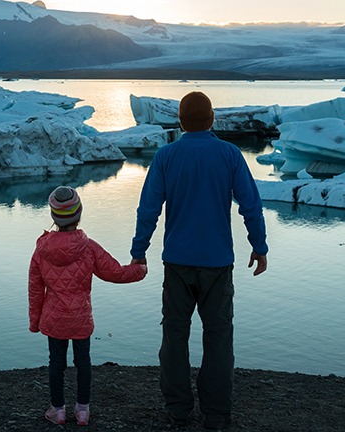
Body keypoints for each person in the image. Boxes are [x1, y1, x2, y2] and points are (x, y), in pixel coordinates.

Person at [130, 91, 269, 431]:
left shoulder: (166, 157)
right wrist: (259, 246)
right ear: (211, 119)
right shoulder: (229, 154)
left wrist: (138, 251)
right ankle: (216, 414)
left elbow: (149, 208)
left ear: (180, 120)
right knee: (218, 338)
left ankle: (178, 410)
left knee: (174, 337)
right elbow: (250, 204)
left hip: (177, 262)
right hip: (218, 263)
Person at [29, 185, 148, 426]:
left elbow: (35, 289)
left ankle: (58, 411)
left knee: (56, 363)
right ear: (79, 213)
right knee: (83, 362)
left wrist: (35, 322)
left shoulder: (41, 250)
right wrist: (140, 269)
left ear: (53, 216)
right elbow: (115, 272)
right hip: (81, 317)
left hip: (54, 319)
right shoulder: (88, 246)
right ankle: (82, 411)